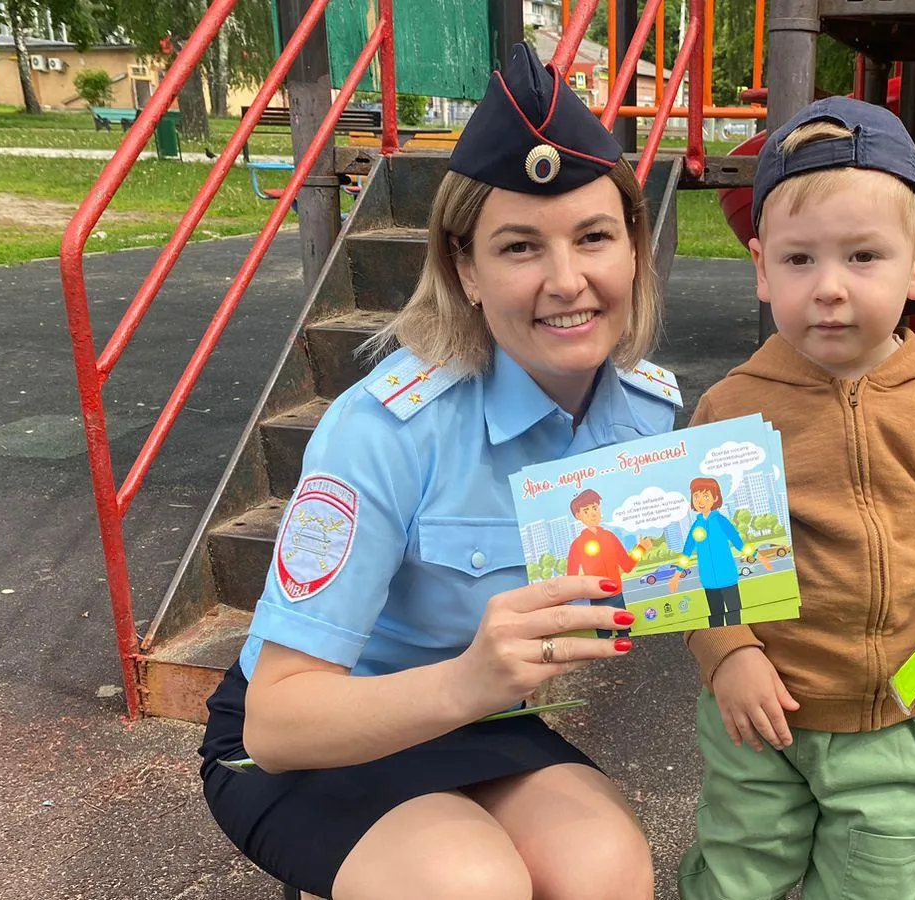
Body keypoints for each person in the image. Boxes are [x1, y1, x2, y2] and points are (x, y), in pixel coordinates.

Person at [197, 42, 680, 900]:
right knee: (469, 884)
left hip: (481, 715)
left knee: (605, 869)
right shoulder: (381, 430)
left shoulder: (647, 413)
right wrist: (469, 679)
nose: (567, 281)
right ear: (466, 268)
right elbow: (278, 721)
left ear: (635, 247)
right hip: (317, 731)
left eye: (595, 237)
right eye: (521, 247)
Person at [676, 97, 915, 900]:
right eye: (800, 261)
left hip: (896, 720)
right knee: (736, 880)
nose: (830, 288)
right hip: (758, 719)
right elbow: (696, 568)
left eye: (863, 257)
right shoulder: (732, 409)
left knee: (878, 885)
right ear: (762, 268)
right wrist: (728, 657)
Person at [565, 488, 652, 636]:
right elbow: (571, 578)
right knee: (603, 640)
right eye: (586, 510)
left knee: (626, 636)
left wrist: (641, 548)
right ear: (578, 516)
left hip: (618, 597)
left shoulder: (610, 537)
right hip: (597, 600)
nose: (593, 513)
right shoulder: (577, 544)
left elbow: (627, 565)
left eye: (595, 508)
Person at [677, 476, 746, 626]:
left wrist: (759, 556)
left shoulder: (721, 521)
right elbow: (687, 550)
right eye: (696, 496)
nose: (700, 501)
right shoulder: (696, 525)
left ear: (715, 498)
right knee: (715, 618)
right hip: (708, 581)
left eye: (705, 496)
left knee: (734, 615)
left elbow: (738, 542)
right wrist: (676, 575)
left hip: (728, 577)